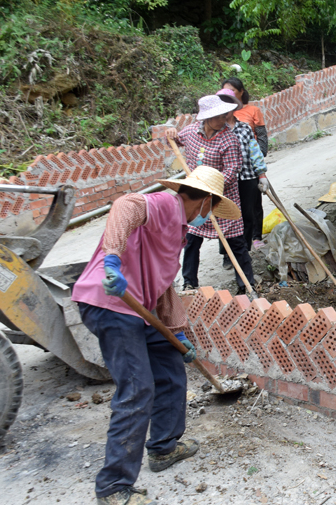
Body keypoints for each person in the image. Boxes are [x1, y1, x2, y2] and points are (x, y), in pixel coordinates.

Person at [71, 166, 241, 505]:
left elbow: (162, 289)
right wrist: (112, 261)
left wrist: (179, 335)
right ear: (206, 201)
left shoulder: (179, 231)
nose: (208, 218)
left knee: (170, 371)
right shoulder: (167, 205)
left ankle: (163, 448)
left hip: (140, 312)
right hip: (111, 303)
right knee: (137, 389)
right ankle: (113, 487)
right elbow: (124, 206)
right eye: (211, 210)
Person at [165, 95, 256, 294]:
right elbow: (175, 141)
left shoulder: (228, 139)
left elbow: (233, 170)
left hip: (222, 198)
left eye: (225, 116)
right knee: (191, 240)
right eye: (220, 116)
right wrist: (170, 134)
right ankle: (189, 283)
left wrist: (212, 185)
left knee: (236, 243)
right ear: (207, 118)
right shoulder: (190, 133)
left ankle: (246, 285)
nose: (224, 120)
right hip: (196, 199)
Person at [215, 88, 270, 263]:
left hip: (247, 177)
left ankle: (243, 251)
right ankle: (227, 254)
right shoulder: (215, 130)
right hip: (224, 181)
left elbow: (255, 152)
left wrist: (261, 175)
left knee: (247, 216)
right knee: (225, 216)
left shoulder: (244, 128)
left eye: (228, 104)